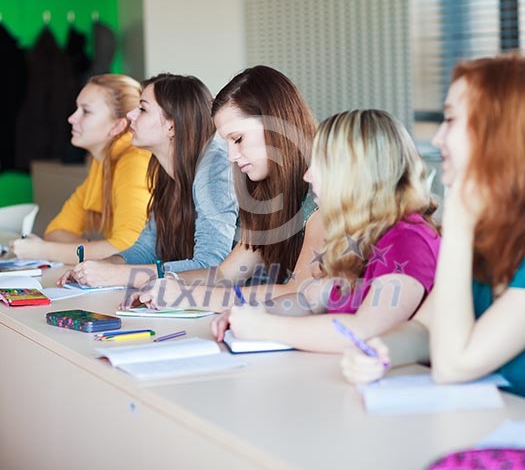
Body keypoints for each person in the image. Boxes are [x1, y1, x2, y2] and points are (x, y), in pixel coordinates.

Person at [340, 54, 525, 397]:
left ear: (498, 134)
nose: (438, 139)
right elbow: (425, 329)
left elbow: (452, 365)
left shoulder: (468, 228)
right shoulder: (491, 234)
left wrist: (459, 221)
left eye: (451, 120)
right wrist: (380, 350)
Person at [212, 109, 441, 352]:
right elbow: (309, 302)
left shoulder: (408, 240)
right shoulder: (360, 234)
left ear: (355, 171)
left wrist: (265, 326)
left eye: (320, 164)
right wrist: (250, 313)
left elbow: (364, 331)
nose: (308, 176)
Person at [122, 65, 322, 312]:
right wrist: (165, 284)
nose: (232, 155)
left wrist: (186, 295)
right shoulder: (268, 196)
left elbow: (299, 292)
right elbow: (226, 274)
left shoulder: (321, 194)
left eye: (238, 139)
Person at [57, 74, 238, 288]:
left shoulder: (214, 169)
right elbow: (146, 249)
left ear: (172, 126)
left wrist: (117, 275)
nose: (131, 115)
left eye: (142, 109)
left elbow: (210, 266)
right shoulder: (165, 172)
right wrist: (95, 268)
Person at [10, 74, 151, 264]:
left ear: (117, 126)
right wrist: (96, 251)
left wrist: (43, 251)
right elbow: (56, 231)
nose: (71, 118)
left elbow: (127, 249)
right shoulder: (102, 164)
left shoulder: (134, 162)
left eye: (86, 111)